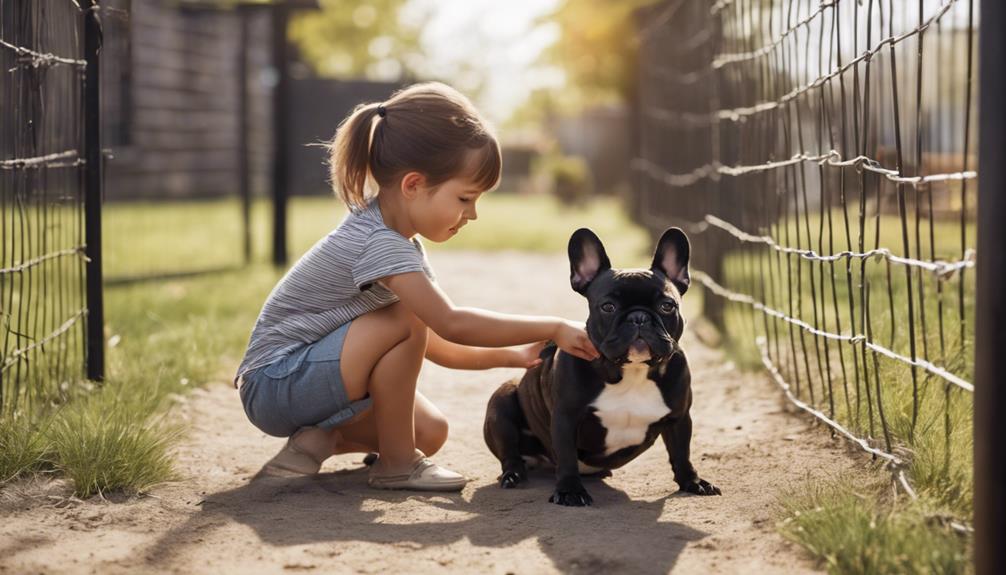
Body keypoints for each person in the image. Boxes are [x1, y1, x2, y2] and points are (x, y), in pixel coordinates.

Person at [235, 82, 598, 492]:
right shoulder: (379, 242)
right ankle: (397, 466)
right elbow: (450, 323)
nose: (472, 214)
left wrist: (513, 356)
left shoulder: (401, 242)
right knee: (407, 318)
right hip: (275, 382)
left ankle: (324, 440)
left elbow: (432, 340)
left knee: (429, 433)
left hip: (303, 380)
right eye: (465, 198)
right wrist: (550, 327)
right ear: (413, 185)